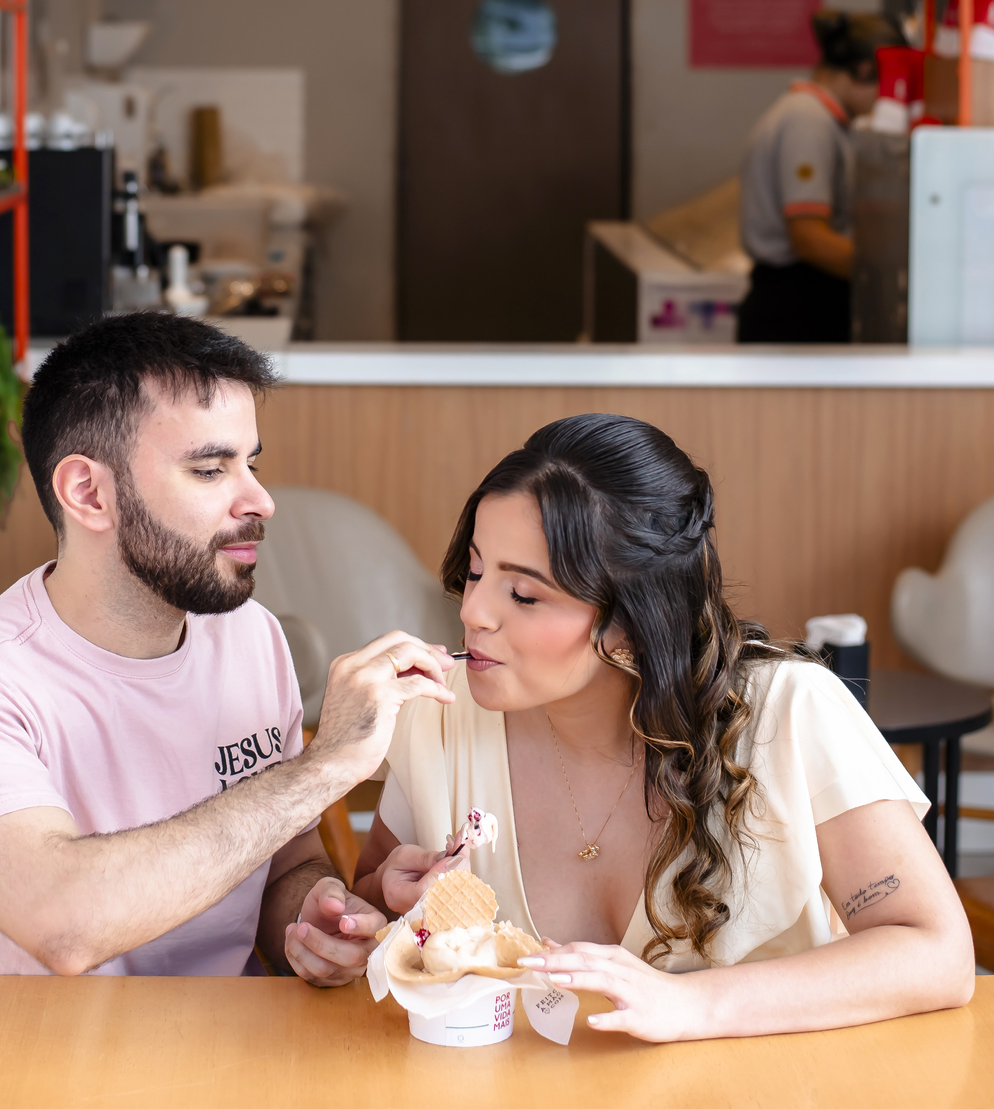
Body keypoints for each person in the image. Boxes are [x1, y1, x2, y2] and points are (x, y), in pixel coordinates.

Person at [352, 414, 974, 1043]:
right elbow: (376, 905)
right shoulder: (440, 713)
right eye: (476, 571)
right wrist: (361, 919)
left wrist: (693, 1004)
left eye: (525, 595)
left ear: (633, 618)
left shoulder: (789, 711)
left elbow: (937, 953)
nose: (473, 611)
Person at [0, 312, 455, 979]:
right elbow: (64, 925)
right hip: (40, 1046)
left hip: (233, 1039)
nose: (261, 500)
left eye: (250, 464)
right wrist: (325, 767)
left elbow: (284, 863)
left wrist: (313, 918)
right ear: (88, 492)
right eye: (211, 470)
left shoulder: (251, 636)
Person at [736, 9, 904, 344]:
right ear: (864, 71)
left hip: (802, 297)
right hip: (795, 306)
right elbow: (809, 238)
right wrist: (885, 275)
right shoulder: (807, 120)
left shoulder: (820, 118)